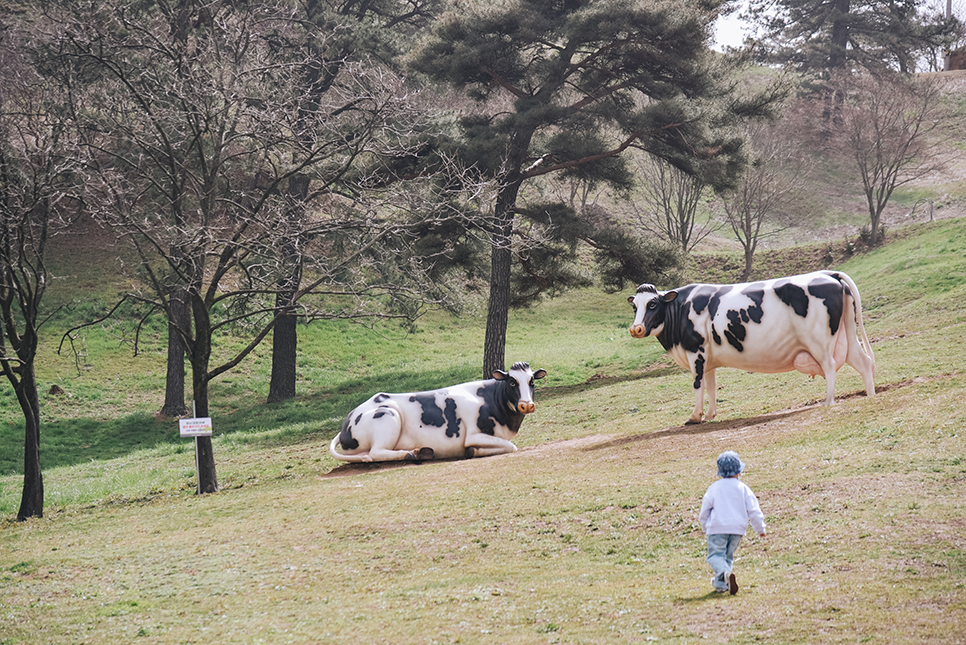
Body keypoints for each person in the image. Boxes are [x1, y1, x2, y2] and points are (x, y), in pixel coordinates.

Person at [698, 450, 766, 595]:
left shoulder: (714, 488)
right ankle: (721, 584)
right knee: (727, 556)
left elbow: (705, 509)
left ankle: (725, 573)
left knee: (715, 556)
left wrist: (705, 525)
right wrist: (760, 528)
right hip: (737, 529)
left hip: (717, 528)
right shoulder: (743, 489)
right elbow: (753, 510)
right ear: (739, 472)